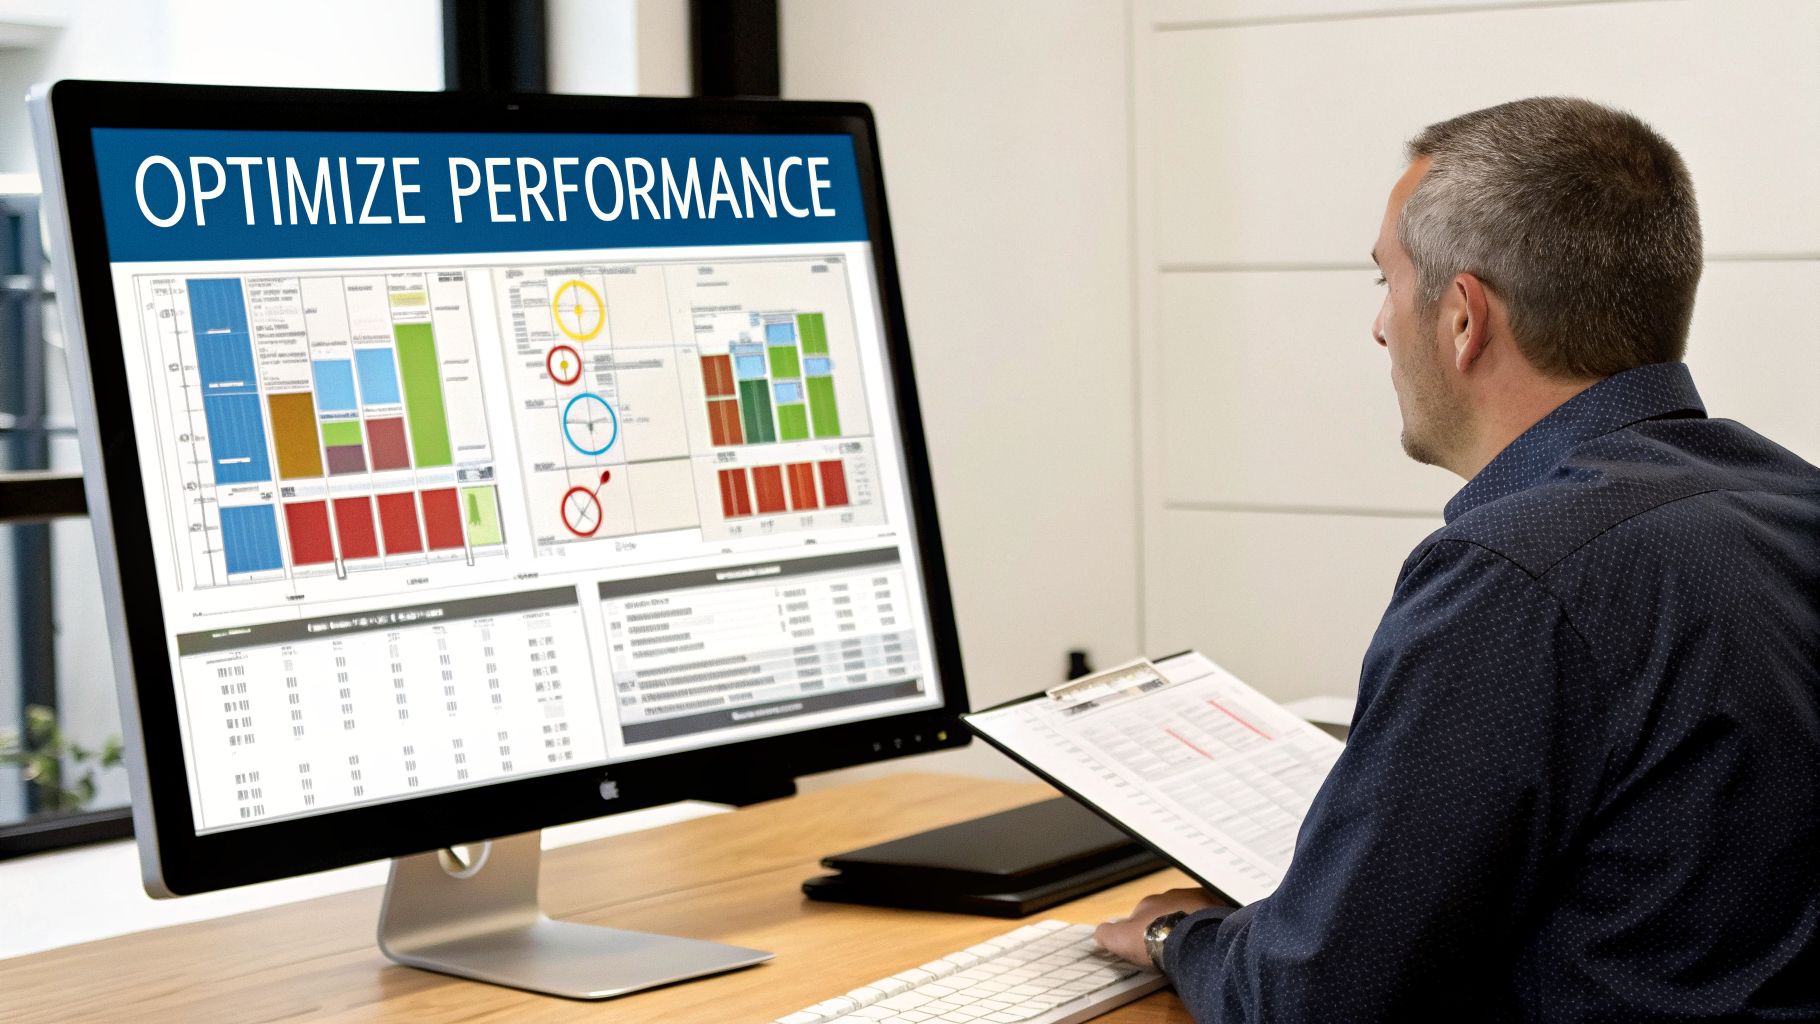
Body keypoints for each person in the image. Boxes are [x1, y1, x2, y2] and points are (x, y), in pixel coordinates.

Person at [1094, 97, 1820, 1021]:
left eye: (1387, 284)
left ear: (1464, 317)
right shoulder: (1793, 499)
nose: (1379, 328)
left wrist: (1176, 936)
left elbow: (1316, 998)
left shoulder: (1518, 573)